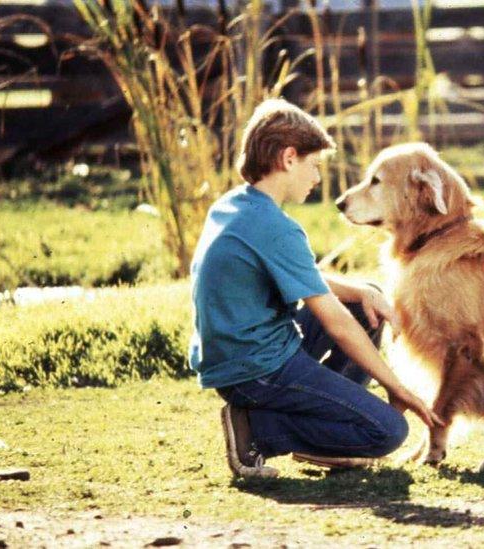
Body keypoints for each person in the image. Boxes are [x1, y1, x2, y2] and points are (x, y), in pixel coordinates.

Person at [188, 99, 441, 478]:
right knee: (388, 430)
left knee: (362, 300)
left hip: (238, 361)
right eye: (314, 165)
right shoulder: (277, 227)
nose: (318, 179)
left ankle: (328, 428)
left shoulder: (235, 206)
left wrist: (361, 292)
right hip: (258, 371)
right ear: (289, 158)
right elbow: (336, 323)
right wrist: (397, 386)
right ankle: (257, 431)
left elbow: (306, 277)